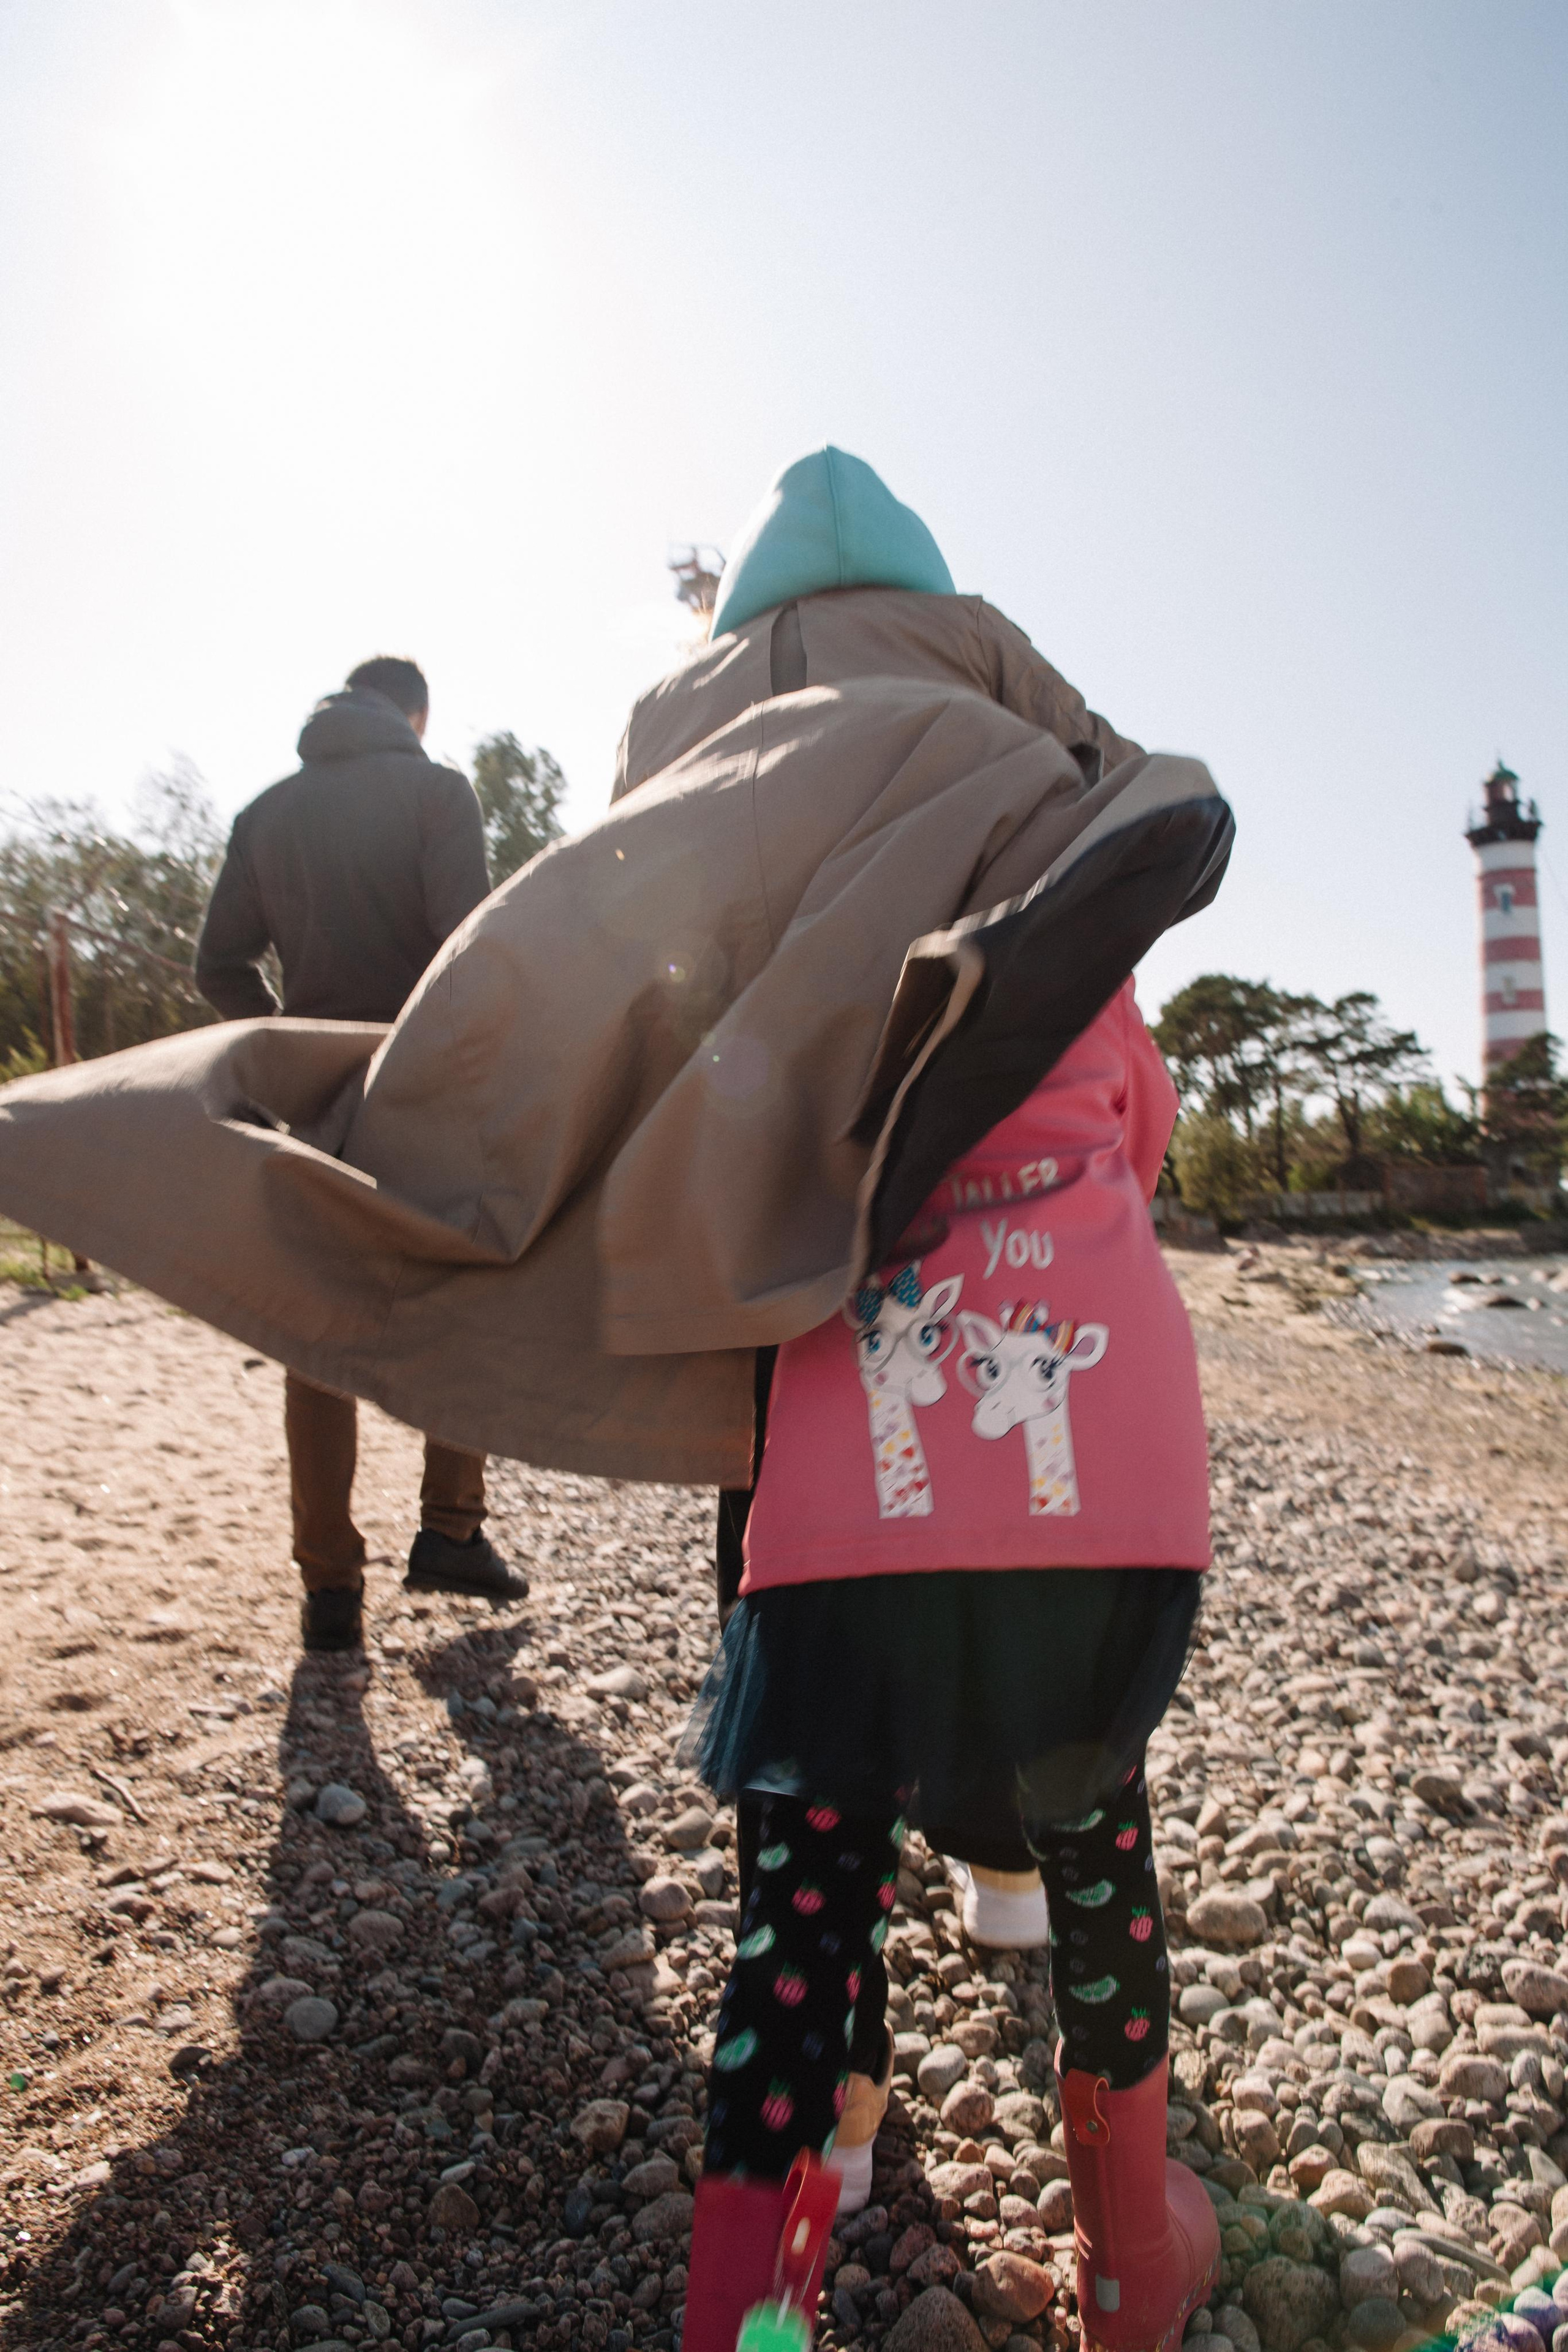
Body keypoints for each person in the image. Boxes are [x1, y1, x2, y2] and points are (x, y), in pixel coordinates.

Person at [675, 453, 1221, 2352]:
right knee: (1096, 1853)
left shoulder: (748, 914)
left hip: (842, 1485)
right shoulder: (1057, 894)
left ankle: (749, 2304)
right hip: (1113, 1488)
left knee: (801, 1902)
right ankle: (1137, 2272)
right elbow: (1138, 1143)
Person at [194, 655, 526, 1651]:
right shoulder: (437, 791)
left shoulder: (265, 814)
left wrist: (289, 1048)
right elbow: (464, 947)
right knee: (462, 1295)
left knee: (315, 1335)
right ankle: (452, 1530)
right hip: (423, 1090)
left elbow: (218, 963)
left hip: (317, 1101)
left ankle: (330, 1588)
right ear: (415, 714)